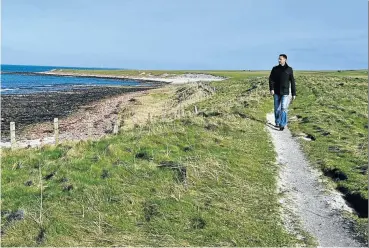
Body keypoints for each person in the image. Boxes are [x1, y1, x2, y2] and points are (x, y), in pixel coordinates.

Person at [268, 54, 296, 131]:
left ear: (285, 59)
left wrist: (293, 93)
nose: (279, 60)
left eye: (280, 59)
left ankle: (282, 124)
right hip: (276, 92)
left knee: (283, 108)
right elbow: (271, 79)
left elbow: (292, 81)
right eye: (279, 59)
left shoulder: (289, 69)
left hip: (285, 92)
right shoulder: (275, 69)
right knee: (277, 109)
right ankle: (277, 121)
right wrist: (271, 89)